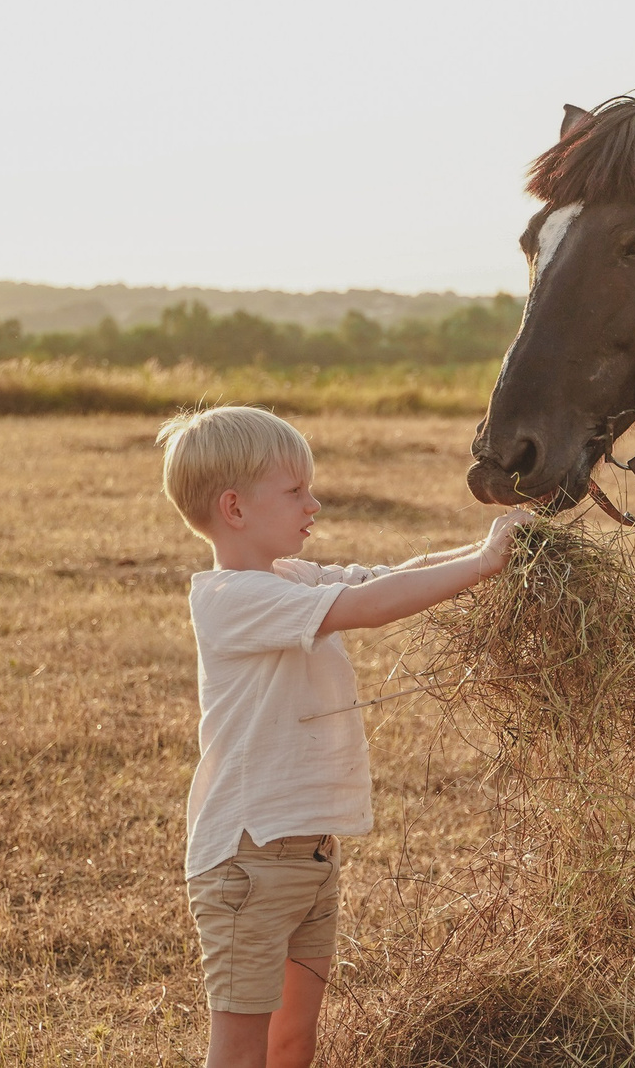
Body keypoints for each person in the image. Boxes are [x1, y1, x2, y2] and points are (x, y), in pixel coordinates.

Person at [158, 405, 528, 1068]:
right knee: (241, 1052)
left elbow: (382, 577)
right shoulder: (229, 598)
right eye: (295, 490)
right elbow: (369, 607)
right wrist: (482, 563)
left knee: (294, 1043)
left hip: (309, 855)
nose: (315, 501)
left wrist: (494, 547)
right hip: (247, 861)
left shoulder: (289, 578)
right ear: (234, 508)